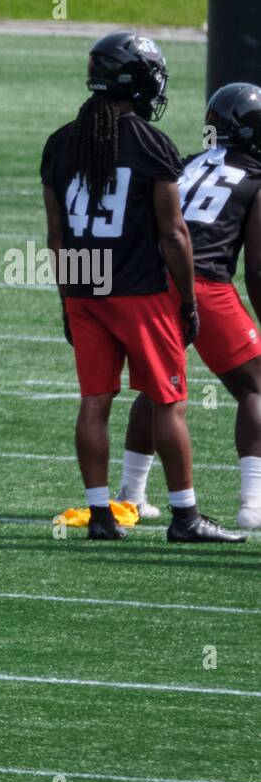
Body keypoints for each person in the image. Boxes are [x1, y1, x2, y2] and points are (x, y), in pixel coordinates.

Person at [40, 31, 244, 542]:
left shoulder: (62, 142)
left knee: (95, 401)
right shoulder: (151, 143)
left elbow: (57, 236)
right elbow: (174, 233)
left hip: (87, 286)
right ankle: (185, 516)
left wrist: (69, 298)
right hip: (138, 288)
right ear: (135, 81)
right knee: (168, 399)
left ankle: (101, 514)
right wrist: (190, 299)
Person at [117, 82, 261, 529]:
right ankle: (253, 503)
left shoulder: (184, 164)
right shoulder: (255, 176)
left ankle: (131, 495)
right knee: (256, 388)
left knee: (158, 388)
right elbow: (256, 267)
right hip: (204, 285)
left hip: (152, 281)